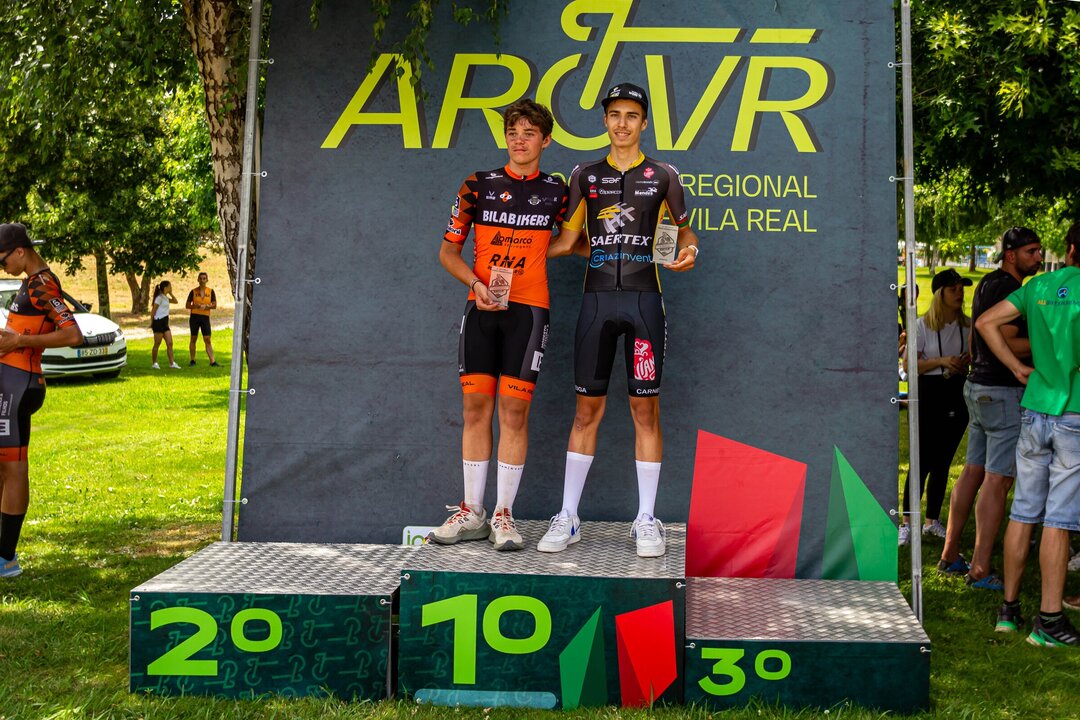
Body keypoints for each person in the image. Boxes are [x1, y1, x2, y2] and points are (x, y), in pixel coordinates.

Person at [536, 82, 699, 558]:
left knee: (645, 410)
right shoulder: (585, 175)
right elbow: (569, 241)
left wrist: (690, 250)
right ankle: (568, 517)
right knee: (585, 412)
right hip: (597, 303)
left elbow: (685, 231)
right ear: (605, 121)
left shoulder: (664, 175)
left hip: (646, 304)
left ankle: (646, 519)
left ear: (644, 122)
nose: (622, 123)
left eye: (631, 115)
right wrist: (515, 252)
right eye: (614, 115)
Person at [429, 99, 568, 551]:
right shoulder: (478, 185)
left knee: (514, 412)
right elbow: (448, 252)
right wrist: (476, 283)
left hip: (529, 311)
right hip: (482, 308)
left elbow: (576, 241)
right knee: (475, 409)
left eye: (529, 133)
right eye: (513, 132)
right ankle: (472, 511)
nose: (519, 140)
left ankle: (504, 514)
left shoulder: (557, 191)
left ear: (546, 140)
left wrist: (541, 251)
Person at [979, 222, 1080, 646]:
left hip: (1035, 406)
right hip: (1073, 413)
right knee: (1058, 518)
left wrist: (1017, 367)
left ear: (1070, 249)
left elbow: (985, 322)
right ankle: (1050, 621)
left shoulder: (1038, 285)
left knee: (1023, 510)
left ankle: (1008, 611)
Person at [937, 227, 1043, 589]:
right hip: (1002, 391)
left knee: (973, 471)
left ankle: (950, 554)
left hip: (978, 386)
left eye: (1039, 251)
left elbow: (974, 333)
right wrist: (1050, 344)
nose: (1038, 257)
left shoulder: (987, 283)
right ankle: (980, 568)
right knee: (998, 480)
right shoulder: (1011, 288)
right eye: (1031, 252)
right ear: (1011, 255)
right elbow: (1008, 340)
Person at [0, 223, 83, 578]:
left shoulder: (42, 284)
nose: (2, 267)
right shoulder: (30, 283)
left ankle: (6, 559)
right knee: (3, 467)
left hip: (19, 386)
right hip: (11, 383)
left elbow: (74, 335)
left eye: (3, 260)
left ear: (20, 251)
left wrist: (20, 342)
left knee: (13, 468)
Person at [899, 268, 972, 545]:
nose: (959, 293)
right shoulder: (922, 325)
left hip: (956, 392)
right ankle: (907, 523)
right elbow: (908, 365)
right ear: (940, 294)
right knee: (920, 460)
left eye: (961, 288)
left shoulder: (968, 325)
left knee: (942, 461)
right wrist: (942, 361)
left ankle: (932, 521)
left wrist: (963, 361)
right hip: (928, 393)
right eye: (953, 289)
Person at [186, 272, 219, 367]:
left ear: (207, 280)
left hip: (205, 317)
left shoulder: (211, 291)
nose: (202, 280)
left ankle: (212, 361)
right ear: (198, 280)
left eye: (204, 278)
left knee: (207, 339)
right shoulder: (193, 291)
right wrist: (194, 306)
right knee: (193, 338)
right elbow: (187, 305)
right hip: (194, 317)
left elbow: (214, 305)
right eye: (200, 278)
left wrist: (207, 306)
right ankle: (192, 360)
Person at [150, 280, 181, 370]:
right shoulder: (159, 298)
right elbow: (153, 311)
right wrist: (152, 323)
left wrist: (171, 293)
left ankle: (172, 363)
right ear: (165, 288)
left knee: (170, 343)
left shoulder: (165, 297)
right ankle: (154, 363)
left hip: (165, 322)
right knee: (157, 343)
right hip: (159, 321)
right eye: (170, 286)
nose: (171, 288)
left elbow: (175, 301)